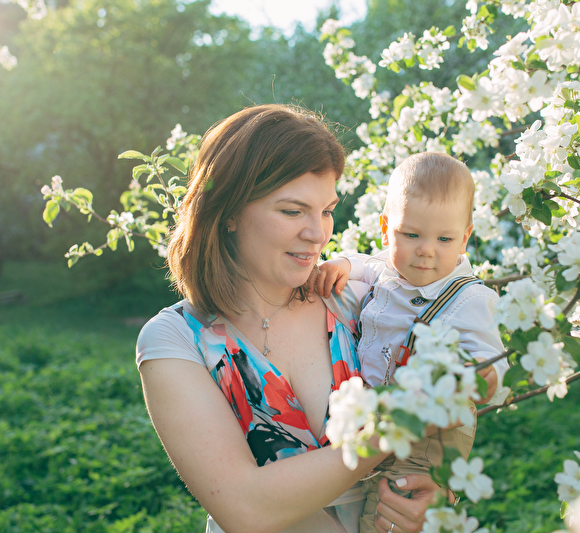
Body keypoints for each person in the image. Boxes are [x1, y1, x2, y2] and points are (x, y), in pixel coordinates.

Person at [136, 104, 437, 533]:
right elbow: (245, 508)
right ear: (229, 212)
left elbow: (438, 430)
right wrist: (396, 427)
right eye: (293, 211)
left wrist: (434, 488)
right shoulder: (175, 341)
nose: (317, 234)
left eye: (326, 210)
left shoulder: (358, 301)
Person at [315, 152, 508, 533]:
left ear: (465, 238)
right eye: (412, 235)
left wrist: (484, 376)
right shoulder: (389, 269)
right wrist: (343, 264)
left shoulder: (469, 298)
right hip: (383, 418)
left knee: (391, 511)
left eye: (444, 239)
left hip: (428, 435)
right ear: (387, 229)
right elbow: (367, 263)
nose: (426, 250)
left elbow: (492, 357)